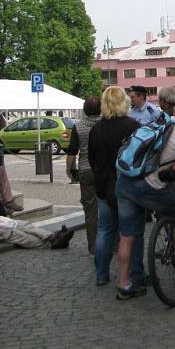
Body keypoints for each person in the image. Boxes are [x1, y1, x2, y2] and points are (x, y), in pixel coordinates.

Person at [115, 97, 175, 300]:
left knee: (127, 236)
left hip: (125, 182)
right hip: (149, 187)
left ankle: (125, 284)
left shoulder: (155, 124)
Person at [88, 86, 141, 287]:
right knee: (132, 231)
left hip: (103, 186)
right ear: (124, 102)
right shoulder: (132, 126)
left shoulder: (96, 129)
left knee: (104, 231)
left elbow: (92, 159)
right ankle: (136, 272)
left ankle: (101, 274)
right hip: (127, 185)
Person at [65, 95, 101, 254]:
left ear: (85, 110)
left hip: (86, 170)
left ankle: (93, 246)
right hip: (103, 170)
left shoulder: (78, 127)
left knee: (90, 210)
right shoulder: (104, 125)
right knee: (108, 207)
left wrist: (69, 169)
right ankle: (113, 242)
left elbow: (72, 151)